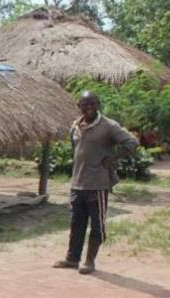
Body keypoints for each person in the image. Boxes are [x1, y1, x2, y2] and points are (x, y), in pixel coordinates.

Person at [53, 91, 138, 274]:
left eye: (91, 103)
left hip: (98, 185)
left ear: (98, 104)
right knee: (77, 224)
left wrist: (113, 158)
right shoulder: (75, 126)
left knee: (97, 225)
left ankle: (89, 261)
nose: (88, 107)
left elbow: (131, 143)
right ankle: (72, 259)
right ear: (79, 106)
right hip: (78, 184)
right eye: (84, 104)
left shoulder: (108, 126)